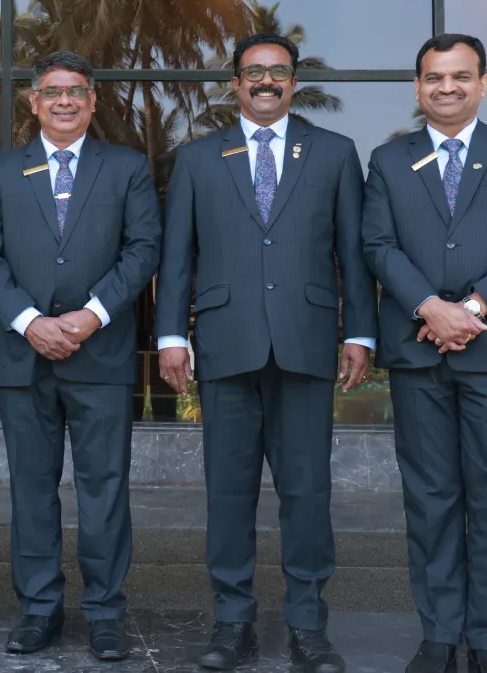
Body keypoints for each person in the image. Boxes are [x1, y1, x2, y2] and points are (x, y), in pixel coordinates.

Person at [156, 33, 377, 673]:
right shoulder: (198, 158)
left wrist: (360, 333)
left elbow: (352, 253)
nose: (266, 81)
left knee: (307, 492)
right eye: (254, 71)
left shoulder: (334, 153)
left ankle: (308, 625)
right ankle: (233, 622)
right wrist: (171, 335)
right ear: (235, 83)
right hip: (225, 343)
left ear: (294, 83)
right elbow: (177, 256)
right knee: (228, 494)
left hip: (306, 342)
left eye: (278, 71)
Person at [361, 34, 487, 673]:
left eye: (460, 76)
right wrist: (430, 306)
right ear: (417, 87)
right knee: (430, 497)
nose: (446, 87)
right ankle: (440, 635)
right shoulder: (388, 159)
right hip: (419, 352)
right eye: (434, 77)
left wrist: (470, 308)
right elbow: (377, 245)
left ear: (483, 83)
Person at [0, 50, 160, 661]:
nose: (65, 101)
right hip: (24, 355)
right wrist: (29, 322)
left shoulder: (126, 167)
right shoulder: (1, 171)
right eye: (53, 91)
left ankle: (105, 611)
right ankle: (39, 609)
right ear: (34, 102)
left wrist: (91, 315)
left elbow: (142, 248)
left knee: (104, 488)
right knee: (31, 488)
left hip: (100, 355)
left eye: (76, 90)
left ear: (93, 100)